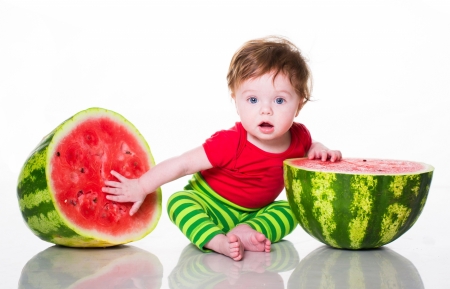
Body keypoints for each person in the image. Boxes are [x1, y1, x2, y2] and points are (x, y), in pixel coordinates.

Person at [102, 35, 342, 261]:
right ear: (236, 101)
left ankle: (248, 230)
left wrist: (320, 149)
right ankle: (215, 240)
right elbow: (182, 164)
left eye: (279, 100)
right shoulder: (230, 142)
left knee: (293, 208)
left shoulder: (300, 137)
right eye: (253, 100)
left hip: (255, 213)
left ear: (298, 105)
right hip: (209, 205)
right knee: (179, 202)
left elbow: (310, 147)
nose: (265, 110)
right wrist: (141, 186)